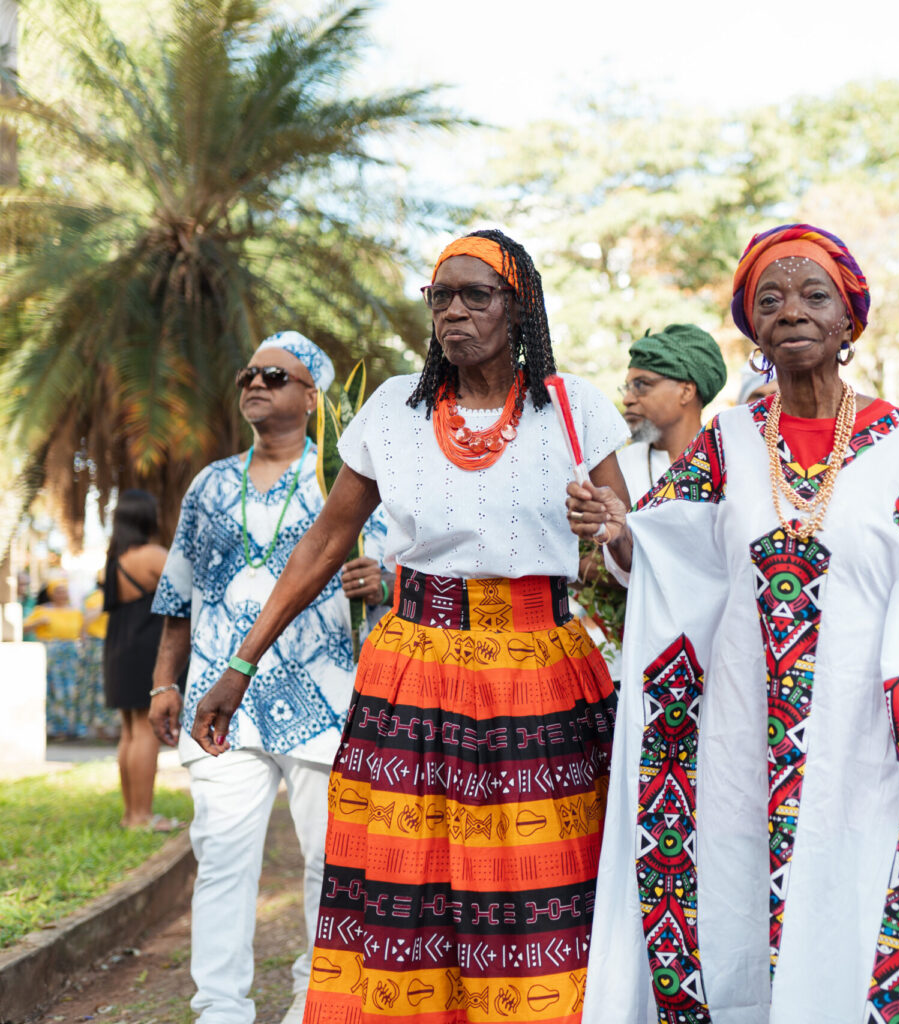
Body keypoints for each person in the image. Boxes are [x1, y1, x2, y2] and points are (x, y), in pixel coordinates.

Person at [573, 223, 899, 1021]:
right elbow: (668, 552)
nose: (791, 310)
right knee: (738, 912)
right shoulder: (727, 442)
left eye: (813, 295)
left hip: (866, 738)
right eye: (770, 299)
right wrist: (617, 528)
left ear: (849, 322)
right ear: (752, 329)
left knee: (864, 912)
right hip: (741, 738)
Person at [189, 229, 630, 1023]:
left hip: (540, 675)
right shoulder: (395, 409)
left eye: (476, 296)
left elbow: (633, 542)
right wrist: (240, 665)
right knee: (410, 894)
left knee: (537, 892)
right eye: (440, 298)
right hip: (412, 675)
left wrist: (609, 526)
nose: (454, 312)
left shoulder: (574, 409)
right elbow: (323, 543)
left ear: (518, 304)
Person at [149, 331, 387, 1024]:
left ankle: (312, 1003)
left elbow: (400, 564)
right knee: (222, 858)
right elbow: (177, 592)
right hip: (221, 703)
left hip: (326, 696)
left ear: (314, 397)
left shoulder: (344, 480)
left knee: (327, 863)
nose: (255, 383)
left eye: (276, 377)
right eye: (249, 374)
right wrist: (167, 682)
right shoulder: (209, 483)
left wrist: (387, 580)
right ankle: (220, 1009)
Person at [102, 488, 177, 830]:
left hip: (117, 649)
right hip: (145, 649)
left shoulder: (112, 562)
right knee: (146, 733)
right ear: (147, 517)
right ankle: (144, 817)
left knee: (130, 732)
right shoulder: (153, 556)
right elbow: (187, 589)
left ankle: (131, 814)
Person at [617, 323, 728, 501]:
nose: (627, 399)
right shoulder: (621, 467)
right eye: (627, 387)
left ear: (686, 392)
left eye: (641, 385)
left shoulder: (731, 459)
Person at [25, 572, 90, 738]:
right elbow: (24, 627)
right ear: (52, 593)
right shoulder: (42, 610)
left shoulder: (75, 612)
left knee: (73, 689)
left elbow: (82, 633)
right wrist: (37, 623)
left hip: (71, 654)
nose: (62, 594)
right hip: (52, 654)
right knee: (54, 689)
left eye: (64, 591)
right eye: (58, 591)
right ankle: (54, 728)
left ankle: (72, 728)